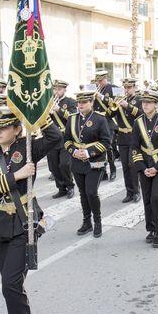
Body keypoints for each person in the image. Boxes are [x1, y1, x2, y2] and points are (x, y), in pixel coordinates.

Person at [0, 106, 61, 314]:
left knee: (11, 285)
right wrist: (17, 175)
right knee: (11, 284)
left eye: (4, 127)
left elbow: (55, 137)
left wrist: (42, 116)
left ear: (17, 129)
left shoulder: (27, 147)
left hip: (23, 223)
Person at [64, 91, 111, 238]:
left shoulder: (100, 119)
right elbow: (66, 140)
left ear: (91, 102)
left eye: (84, 102)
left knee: (91, 192)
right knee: (83, 193)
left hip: (95, 161)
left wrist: (89, 152)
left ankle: (97, 222)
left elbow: (106, 141)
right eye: (79, 102)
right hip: (78, 162)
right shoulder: (72, 119)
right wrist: (73, 151)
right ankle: (87, 222)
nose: (81, 105)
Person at [131, 90, 158, 248]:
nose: (145, 105)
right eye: (143, 102)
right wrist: (142, 167)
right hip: (144, 166)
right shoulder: (138, 122)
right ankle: (151, 229)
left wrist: (157, 168)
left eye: (149, 102)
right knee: (147, 199)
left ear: (156, 104)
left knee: (156, 197)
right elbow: (134, 147)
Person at [110, 78, 142, 203]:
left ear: (134, 87)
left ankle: (136, 191)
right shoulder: (119, 100)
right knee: (124, 166)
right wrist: (113, 105)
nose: (127, 90)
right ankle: (129, 192)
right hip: (122, 136)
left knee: (132, 165)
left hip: (134, 136)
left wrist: (127, 106)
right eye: (125, 87)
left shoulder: (139, 100)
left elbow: (140, 114)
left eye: (129, 87)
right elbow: (109, 115)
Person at [48, 79, 77, 199]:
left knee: (64, 164)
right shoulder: (49, 102)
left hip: (65, 136)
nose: (56, 91)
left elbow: (73, 117)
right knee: (53, 165)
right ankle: (61, 188)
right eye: (55, 89)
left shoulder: (70, 101)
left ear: (64, 89)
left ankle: (70, 186)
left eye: (59, 89)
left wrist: (59, 109)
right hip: (52, 137)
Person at [92, 70, 118, 181]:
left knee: (109, 148)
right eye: (98, 81)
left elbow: (116, 103)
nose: (99, 83)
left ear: (106, 78)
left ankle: (113, 170)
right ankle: (102, 172)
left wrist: (101, 97)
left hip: (108, 120)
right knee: (97, 148)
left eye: (101, 80)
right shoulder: (95, 89)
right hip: (96, 121)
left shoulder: (113, 88)